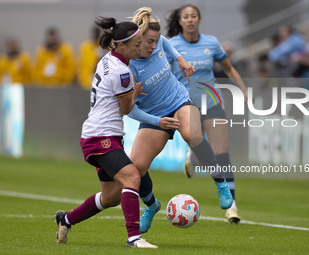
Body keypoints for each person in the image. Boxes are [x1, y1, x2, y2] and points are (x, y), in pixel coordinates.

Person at [126, 7, 233, 233]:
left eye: (156, 41)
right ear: (136, 40)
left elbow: (166, 43)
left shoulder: (159, 43)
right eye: (149, 42)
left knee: (192, 134)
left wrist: (181, 59)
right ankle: (152, 206)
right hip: (155, 117)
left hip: (179, 101)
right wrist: (157, 123)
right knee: (137, 167)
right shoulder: (127, 67)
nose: (154, 47)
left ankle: (220, 183)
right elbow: (129, 111)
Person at [54, 17, 157, 248]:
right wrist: (134, 92)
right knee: (132, 176)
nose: (141, 47)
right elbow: (127, 109)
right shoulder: (121, 73)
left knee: (110, 197)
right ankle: (134, 238)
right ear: (121, 45)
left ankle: (66, 219)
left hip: (99, 134)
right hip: (101, 136)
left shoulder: (108, 59)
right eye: (137, 43)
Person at [166, 4, 249, 223]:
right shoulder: (172, 45)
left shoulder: (211, 42)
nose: (190, 19)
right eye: (186, 16)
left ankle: (231, 206)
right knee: (204, 156)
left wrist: (243, 88)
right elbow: (165, 74)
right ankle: (194, 158)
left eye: (194, 16)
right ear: (180, 21)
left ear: (200, 19)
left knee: (222, 152)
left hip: (212, 101)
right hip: (185, 104)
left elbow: (229, 68)